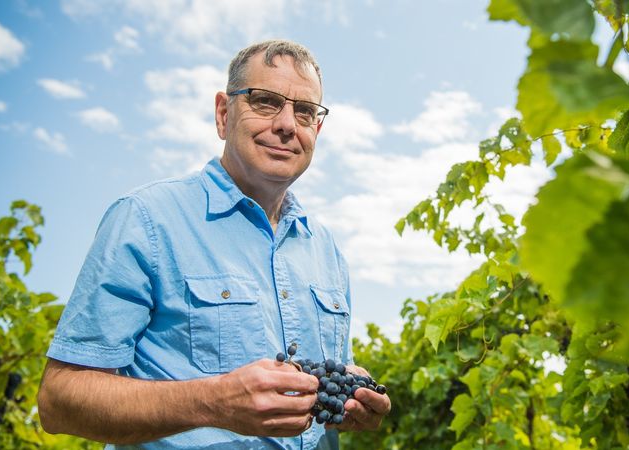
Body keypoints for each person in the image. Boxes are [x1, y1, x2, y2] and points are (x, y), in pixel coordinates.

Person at [37, 39, 391, 449]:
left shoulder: (326, 250)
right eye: (265, 101)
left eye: (305, 112)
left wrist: (352, 396)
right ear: (224, 114)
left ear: (317, 129)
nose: (287, 124)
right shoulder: (146, 219)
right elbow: (58, 401)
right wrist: (212, 402)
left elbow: (326, 387)